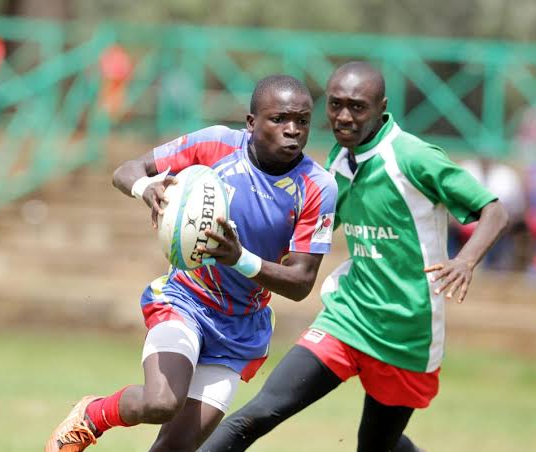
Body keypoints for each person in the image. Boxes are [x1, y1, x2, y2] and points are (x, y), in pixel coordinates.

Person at [200, 62, 509, 452]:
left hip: (407, 332)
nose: (344, 117)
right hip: (347, 318)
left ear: (382, 107)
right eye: (335, 105)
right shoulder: (339, 163)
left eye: (357, 107)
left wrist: (464, 261)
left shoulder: (413, 158)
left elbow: (494, 212)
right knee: (261, 412)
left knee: (377, 445)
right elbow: (312, 230)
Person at [45, 75, 338, 452]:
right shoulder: (215, 144)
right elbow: (126, 170)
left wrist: (240, 259)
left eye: (302, 120)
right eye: (279, 119)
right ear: (251, 123)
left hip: (239, 329)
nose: (293, 131)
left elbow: (300, 283)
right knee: (161, 402)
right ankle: (93, 414)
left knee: (175, 448)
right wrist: (146, 188)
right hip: (185, 300)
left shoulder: (317, 186)